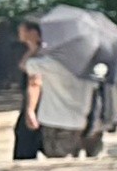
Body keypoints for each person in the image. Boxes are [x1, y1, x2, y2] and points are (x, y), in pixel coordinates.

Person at [16, 19, 98, 158]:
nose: (19, 35)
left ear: (33, 32)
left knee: (53, 150)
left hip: (48, 109)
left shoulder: (48, 56)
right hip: (69, 114)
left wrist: (30, 110)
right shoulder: (78, 59)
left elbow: (34, 81)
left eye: (22, 30)